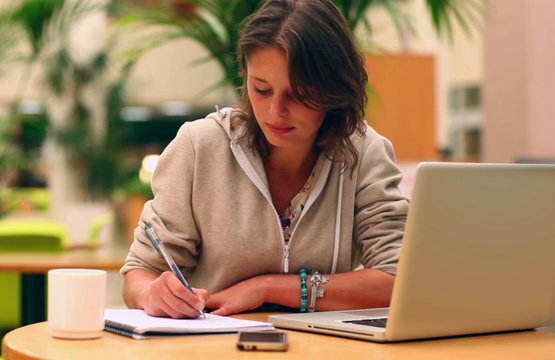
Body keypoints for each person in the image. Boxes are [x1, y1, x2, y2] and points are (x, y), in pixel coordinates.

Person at [121, 0, 409, 319]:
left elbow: (398, 280)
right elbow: (140, 272)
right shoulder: (199, 146)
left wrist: (267, 288)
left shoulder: (365, 153)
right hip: (212, 347)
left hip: (323, 349)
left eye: (299, 94)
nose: (276, 111)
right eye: (261, 89)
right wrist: (153, 293)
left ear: (335, 91)